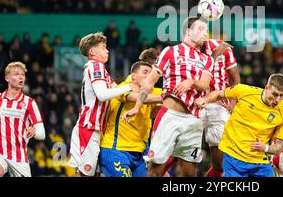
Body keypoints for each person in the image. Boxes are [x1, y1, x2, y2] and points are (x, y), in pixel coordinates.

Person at [122, 17, 228, 177]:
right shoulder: (170, 51)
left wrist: (190, 81)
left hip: (194, 120)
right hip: (169, 116)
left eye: (206, 30)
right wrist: (137, 106)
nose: (204, 33)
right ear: (188, 31)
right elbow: (150, 81)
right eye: (200, 29)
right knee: (155, 170)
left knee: (189, 172)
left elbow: (205, 84)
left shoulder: (206, 59)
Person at [195, 74, 283, 177]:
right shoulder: (245, 91)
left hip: (260, 161)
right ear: (266, 88)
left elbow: (279, 147)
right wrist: (205, 99)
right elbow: (219, 94)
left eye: (282, 95)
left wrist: (266, 148)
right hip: (233, 156)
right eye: (275, 94)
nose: (277, 99)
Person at [68, 32, 136, 177]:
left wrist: (135, 89)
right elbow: (103, 94)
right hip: (89, 128)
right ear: (93, 51)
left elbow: (117, 91)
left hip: (96, 130)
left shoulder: (102, 71)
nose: (108, 50)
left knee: (93, 174)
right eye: (104, 47)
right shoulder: (95, 66)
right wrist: (129, 86)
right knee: (84, 174)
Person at [100, 48, 162, 177]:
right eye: (146, 72)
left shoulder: (152, 90)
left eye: (152, 73)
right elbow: (140, 98)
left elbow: (155, 111)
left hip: (140, 148)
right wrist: (166, 97)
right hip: (117, 148)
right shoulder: (125, 86)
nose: (150, 76)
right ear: (134, 75)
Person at [0, 61, 46, 177]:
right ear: (7, 78)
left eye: (22, 75)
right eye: (16, 74)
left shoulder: (29, 103)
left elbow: (42, 134)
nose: (20, 77)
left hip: (19, 156)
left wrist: (34, 132)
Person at [200, 38, 240, 177]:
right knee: (183, 160)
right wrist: (215, 55)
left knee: (219, 164)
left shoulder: (221, 47)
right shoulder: (182, 51)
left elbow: (235, 78)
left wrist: (233, 103)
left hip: (218, 105)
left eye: (203, 29)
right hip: (192, 105)